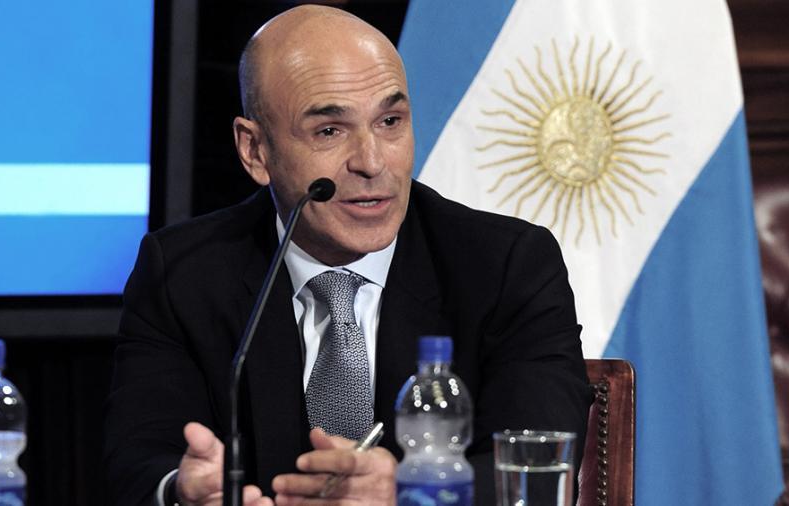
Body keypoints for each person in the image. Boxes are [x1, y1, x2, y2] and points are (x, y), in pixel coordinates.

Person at [103, 5, 590, 506]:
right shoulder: (185, 272)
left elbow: (536, 468)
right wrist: (184, 490)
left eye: (390, 121)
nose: (372, 162)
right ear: (255, 151)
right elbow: (138, 464)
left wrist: (409, 492)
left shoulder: (504, 266)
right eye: (330, 131)